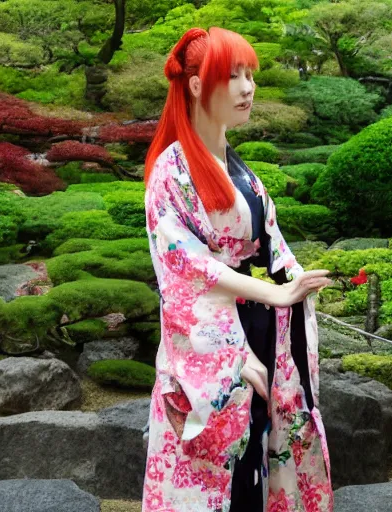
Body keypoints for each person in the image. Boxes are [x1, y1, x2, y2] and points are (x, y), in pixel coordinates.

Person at [141, 27, 334, 512]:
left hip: (262, 330)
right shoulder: (172, 172)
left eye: (251, 76)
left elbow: (271, 243)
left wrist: (295, 280)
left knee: (259, 462)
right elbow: (186, 269)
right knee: (223, 474)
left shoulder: (239, 168)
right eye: (233, 76)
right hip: (217, 341)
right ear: (196, 85)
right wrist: (268, 303)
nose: (248, 88)